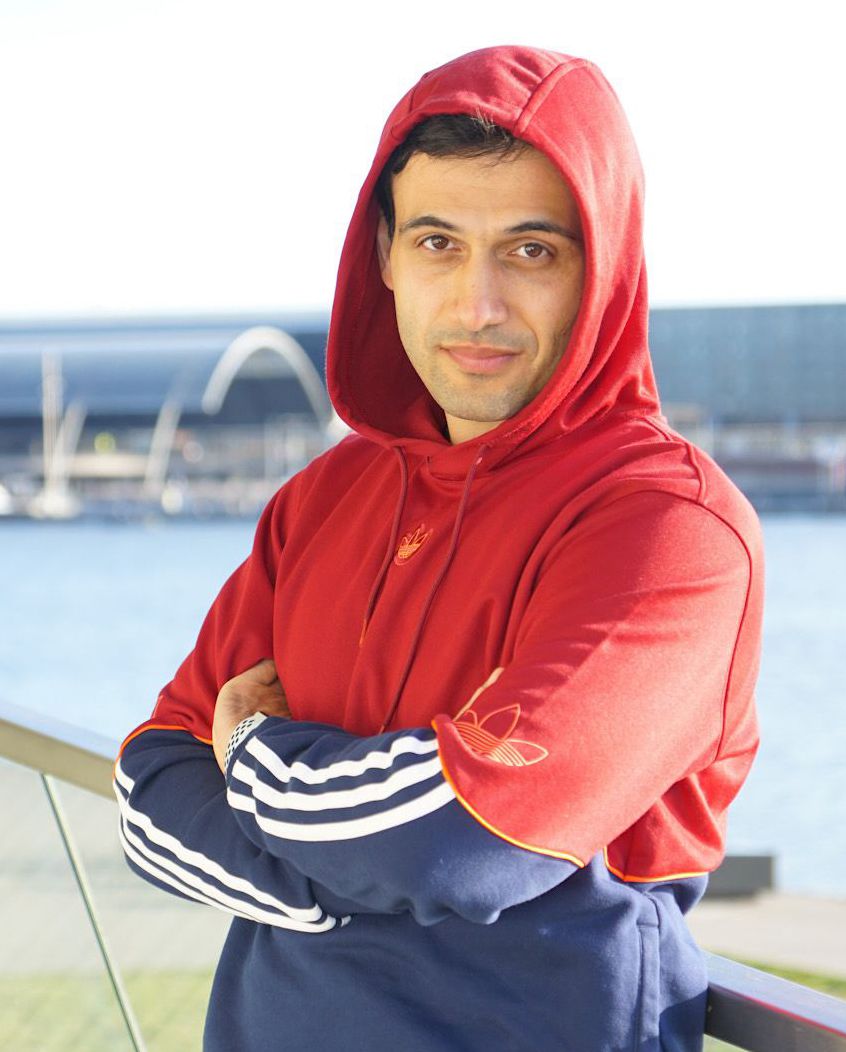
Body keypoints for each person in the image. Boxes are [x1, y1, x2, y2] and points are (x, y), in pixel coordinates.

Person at [114, 45, 763, 1051]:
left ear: (604, 268)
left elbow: (459, 841)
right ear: (382, 255)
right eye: (437, 243)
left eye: (530, 251)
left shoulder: (670, 531)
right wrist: (365, 861)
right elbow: (152, 796)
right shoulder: (321, 501)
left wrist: (251, 756)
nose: (477, 304)